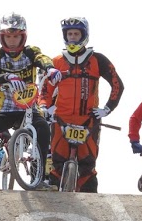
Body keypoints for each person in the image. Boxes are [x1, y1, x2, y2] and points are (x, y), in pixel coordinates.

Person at [0, 12, 61, 189]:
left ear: (22, 36)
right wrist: (7, 77)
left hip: (28, 107)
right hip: (4, 108)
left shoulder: (30, 52)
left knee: (43, 130)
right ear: (2, 37)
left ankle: (37, 178)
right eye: (8, 36)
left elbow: (42, 58)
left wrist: (50, 69)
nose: (12, 41)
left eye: (16, 36)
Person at [45, 17, 124, 192]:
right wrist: (47, 107)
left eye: (76, 34)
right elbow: (45, 88)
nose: (72, 37)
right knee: (57, 165)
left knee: (87, 167)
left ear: (84, 35)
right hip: (61, 119)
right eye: (69, 34)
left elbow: (117, 84)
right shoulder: (56, 61)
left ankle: (90, 209)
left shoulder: (98, 59)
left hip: (88, 119)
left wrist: (107, 108)